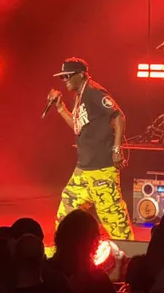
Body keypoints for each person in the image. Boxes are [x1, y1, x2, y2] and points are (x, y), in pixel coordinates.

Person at [46, 58, 134, 241]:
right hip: (84, 169)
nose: (64, 80)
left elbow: (119, 117)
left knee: (114, 218)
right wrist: (61, 108)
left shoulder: (94, 92)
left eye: (68, 76)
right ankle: (61, 250)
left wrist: (117, 149)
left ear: (81, 75)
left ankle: (131, 257)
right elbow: (78, 127)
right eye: (62, 77)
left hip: (102, 168)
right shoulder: (80, 95)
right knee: (67, 208)